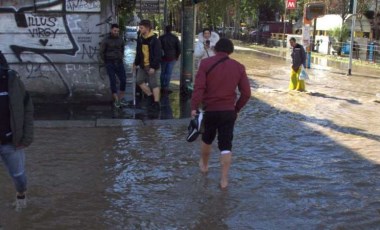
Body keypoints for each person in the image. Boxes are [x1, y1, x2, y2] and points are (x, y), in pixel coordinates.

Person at [190, 38, 251, 189]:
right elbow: (246, 93)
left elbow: (199, 88)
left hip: (210, 110)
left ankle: (204, 166)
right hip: (228, 111)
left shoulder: (205, 64)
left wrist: (194, 106)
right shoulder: (239, 67)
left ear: (215, 49)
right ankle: (224, 180)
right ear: (230, 51)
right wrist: (236, 108)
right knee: (226, 145)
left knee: (207, 139)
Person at [0, 50, 34, 211]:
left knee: (19, 177)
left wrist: (26, 137)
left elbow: (27, 107)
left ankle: (21, 195)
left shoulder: (12, 81)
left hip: (11, 142)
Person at [133, 20, 162, 111]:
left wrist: (153, 67)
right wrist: (135, 63)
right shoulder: (140, 38)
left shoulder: (155, 40)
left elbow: (158, 55)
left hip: (151, 65)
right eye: (139, 27)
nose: (140, 29)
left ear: (147, 28)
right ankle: (150, 95)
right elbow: (138, 52)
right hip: (142, 65)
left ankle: (156, 103)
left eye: (141, 28)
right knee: (139, 80)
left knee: (154, 84)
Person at [99, 23, 127, 108]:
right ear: (111, 30)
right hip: (109, 62)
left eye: (117, 31)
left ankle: (120, 98)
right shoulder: (106, 40)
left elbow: (122, 49)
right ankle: (116, 100)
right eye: (115, 31)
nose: (116, 32)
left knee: (123, 80)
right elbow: (101, 52)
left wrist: (121, 57)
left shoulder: (120, 39)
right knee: (113, 81)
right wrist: (105, 61)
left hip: (119, 62)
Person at [159, 25, 181, 94]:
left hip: (163, 57)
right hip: (172, 57)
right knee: (168, 73)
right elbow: (179, 48)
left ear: (165, 30)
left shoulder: (161, 38)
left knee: (163, 72)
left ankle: (162, 86)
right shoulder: (175, 38)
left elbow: (158, 48)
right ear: (171, 30)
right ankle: (166, 87)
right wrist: (176, 56)